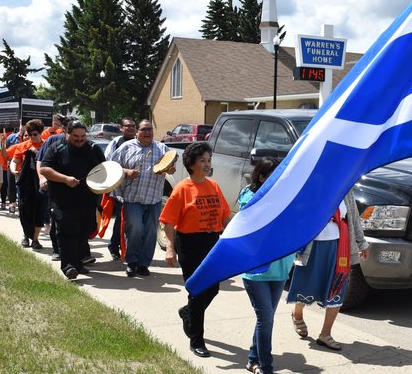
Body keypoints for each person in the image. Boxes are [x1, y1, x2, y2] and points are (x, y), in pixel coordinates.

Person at [160, 142, 231, 358]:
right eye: (203, 160)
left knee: (213, 289)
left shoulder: (214, 186)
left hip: (212, 242)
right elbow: (168, 221)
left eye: (209, 160)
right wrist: (170, 248)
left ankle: (187, 312)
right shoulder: (182, 188)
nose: (207, 164)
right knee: (197, 291)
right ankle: (196, 340)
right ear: (191, 164)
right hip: (189, 244)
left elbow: (225, 216)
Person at [287, 189, 370, 352]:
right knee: (306, 283)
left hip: (340, 245)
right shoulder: (312, 184)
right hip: (313, 247)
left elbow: (353, 216)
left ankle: (325, 334)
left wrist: (362, 242)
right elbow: (297, 214)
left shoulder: (346, 187)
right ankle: (297, 314)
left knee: (338, 286)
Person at [240, 157, 293, 374]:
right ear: (261, 178)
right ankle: (265, 366)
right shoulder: (249, 199)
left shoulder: (286, 197)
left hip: (280, 267)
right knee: (265, 318)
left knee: (267, 318)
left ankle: (253, 359)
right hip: (256, 269)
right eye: (274, 176)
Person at [39, 120, 106, 279]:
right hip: (62, 200)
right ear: (66, 133)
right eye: (75, 136)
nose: (79, 139)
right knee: (67, 232)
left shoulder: (92, 148)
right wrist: (65, 179)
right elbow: (45, 169)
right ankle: (68, 267)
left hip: (88, 200)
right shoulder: (56, 148)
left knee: (84, 231)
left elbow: (104, 169)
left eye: (83, 136)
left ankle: (77, 263)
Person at [111, 119, 174, 277]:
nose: (147, 132)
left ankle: (143, 264)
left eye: (150, 129)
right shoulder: (126, 147)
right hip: (133, 196)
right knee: (136, 228)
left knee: (151, 231)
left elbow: (172, 170)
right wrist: (127, 172)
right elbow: (113, 166)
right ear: (137, 132)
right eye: (144, 130)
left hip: (154, 197)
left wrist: (169, 168)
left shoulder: (161, 148)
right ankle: (132, 262)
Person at [104, 117, 137, 260]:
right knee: (122, 219)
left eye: (133, 126)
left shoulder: (140, 142)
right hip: (120, 188)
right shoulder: (116, 142)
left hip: (138, 189)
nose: (130, 128)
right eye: (127, 126)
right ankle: (114, 246)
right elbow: (109, 162)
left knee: (134, 221)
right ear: (121, 128)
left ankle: (130, 248)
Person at [11, 119, 45, 249]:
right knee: (25, 210)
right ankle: (26, 235)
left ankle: (35, 239)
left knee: (40, 210)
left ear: (40, 133)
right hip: (25, 183)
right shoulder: (22, 146)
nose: (32, 137)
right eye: (29, 134)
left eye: (35, 134)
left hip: (41, 183)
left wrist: (37, 153)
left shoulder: (46, 145)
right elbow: (15, 161)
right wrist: (14, 170)